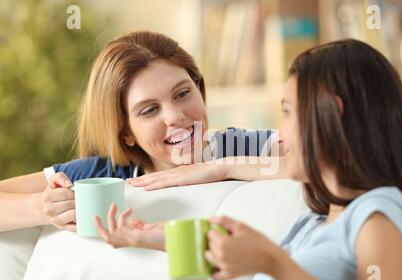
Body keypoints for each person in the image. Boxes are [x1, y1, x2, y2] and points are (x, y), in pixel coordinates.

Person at [96, 39, 402, 280]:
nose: (280, 132)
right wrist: (179, 246)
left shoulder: (376, 213)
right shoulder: (313, 223)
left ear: (332, 114)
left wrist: (274, 263)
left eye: (288, 111)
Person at [0, 31, 285, 233]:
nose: (176, 116)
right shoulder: (104, 176)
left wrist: (221, 169)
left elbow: (326, 161)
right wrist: (42, 207)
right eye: (149, 110)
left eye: (183, 93)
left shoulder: (237, 147)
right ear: (126, 133)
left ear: (199, 88)